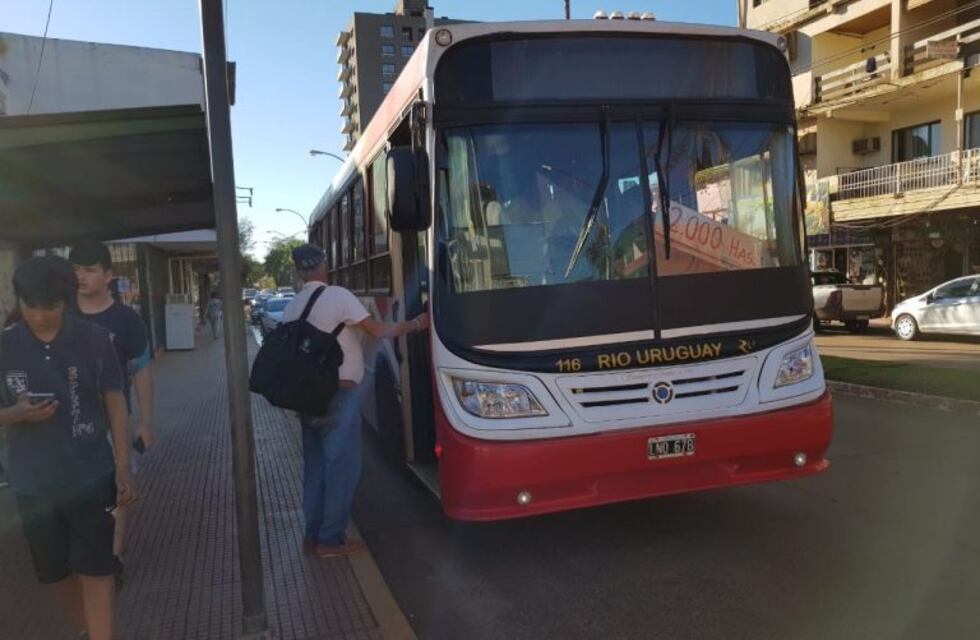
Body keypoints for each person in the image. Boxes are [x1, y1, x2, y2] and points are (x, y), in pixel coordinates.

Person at [0, 256, 137, 640]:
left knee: (98, 568)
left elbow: (114, 399)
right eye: (31, 306)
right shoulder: (6, 346)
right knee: (54, 573)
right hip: (33, 483)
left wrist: (123, 465)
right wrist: (15, 414)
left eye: (51, 306)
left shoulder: (93, 340)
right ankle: (85, 629)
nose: (40, 316)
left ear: (67, 301)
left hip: (91, 474)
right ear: (19, 301)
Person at [284, 244, 428, 558]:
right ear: (325, 266)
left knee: (316, 469)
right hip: (340, 395)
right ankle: (331, 540)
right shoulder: (338, 296)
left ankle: (312, 536)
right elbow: (379, 330)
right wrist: (416, 324)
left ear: (299, 271)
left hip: (306, 397)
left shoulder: (293, 304)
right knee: (341, 469)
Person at [70, 242, 154, 590]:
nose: (81, 277)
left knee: (118, 488)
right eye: (76, 270)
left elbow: (143, 369)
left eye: (89, 270)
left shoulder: (126, 319)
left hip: (113, 419)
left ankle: (114, 557)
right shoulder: (62, 312)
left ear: (108, 276)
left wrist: (146, 421)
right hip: (68, 421)